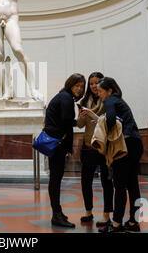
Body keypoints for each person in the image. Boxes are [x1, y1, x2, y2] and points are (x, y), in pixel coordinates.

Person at [96, 77, 143, 233]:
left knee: (120, 185)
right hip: (136, 143)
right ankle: (134, 222)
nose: (99, 95)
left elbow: (109, 120)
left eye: (101, 91)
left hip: (126, 145)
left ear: (109, 91)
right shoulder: (120, 101)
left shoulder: (110, 100)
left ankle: (116, 224)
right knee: (133, 185)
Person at [44, 73, 85, 228]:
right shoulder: (66, 98)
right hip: (57, 144)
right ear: (70, 85)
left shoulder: (63, 96)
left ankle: (57, 212)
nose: (79, 89)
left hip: (56, 143)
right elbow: (67, 121)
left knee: (55, 178)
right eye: (77, 85)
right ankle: (56, 214)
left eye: (81, 86)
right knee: (55, 179)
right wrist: (81, 120)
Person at [77, 72, 114, 227]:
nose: (93, 86)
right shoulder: (84, 100)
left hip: (105, 146)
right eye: (91, 83)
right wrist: (81, 116)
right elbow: (80, 125)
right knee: (86, 181)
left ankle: (106, 215)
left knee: (107, 181)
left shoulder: (108, 100)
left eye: (96, 83)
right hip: (88, 145)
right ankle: (88, 211)